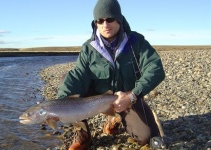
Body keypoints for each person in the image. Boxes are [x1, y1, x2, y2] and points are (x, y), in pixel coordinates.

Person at [57, 0, 165, 149]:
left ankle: (114, 119)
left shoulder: (136, 41)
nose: (105, 24)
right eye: (100, 20)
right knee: (66, 80)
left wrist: (132, 96)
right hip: (97, 97)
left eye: (110, 19)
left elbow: (156, 69)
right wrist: (58, 104)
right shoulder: (88, 48)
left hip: (128, 97)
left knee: (146, 137)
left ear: (119, 19)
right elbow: (78, 75)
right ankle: (82, 132)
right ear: (95, 23)